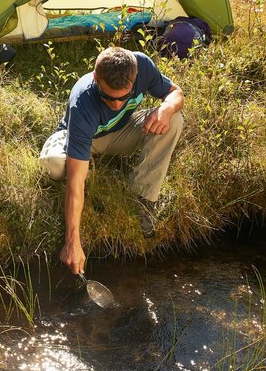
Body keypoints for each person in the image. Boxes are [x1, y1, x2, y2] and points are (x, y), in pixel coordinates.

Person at [39, 46, 184, 275]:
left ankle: (142, 199)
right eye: (108, 97)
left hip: (122, 130)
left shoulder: (142, 65)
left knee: (174, 119)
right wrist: (72, 242)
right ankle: (88, 164)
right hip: (82, 138)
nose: (116, 104)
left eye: (124, 97)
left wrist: (166, 108)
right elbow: (75, 183)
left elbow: (176, 93)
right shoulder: (82, 102)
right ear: (96, 79)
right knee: (55, 165)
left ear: (135, 77)